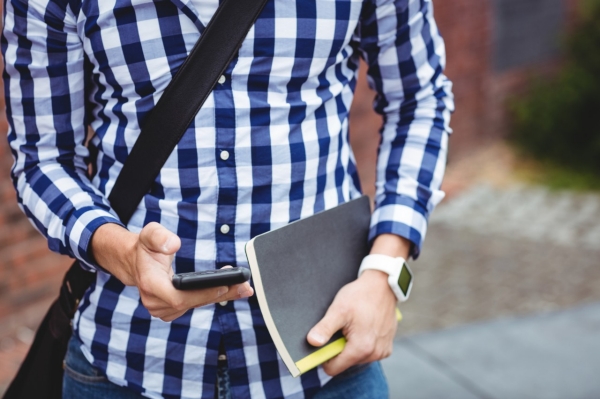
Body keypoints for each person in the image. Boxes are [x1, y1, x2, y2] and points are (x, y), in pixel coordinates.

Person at [2, 0, 453, 397]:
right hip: (129, 360)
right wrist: (120, 252)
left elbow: (420, 99)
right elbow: (43, 157)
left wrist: (386, 275)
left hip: (326, 354)